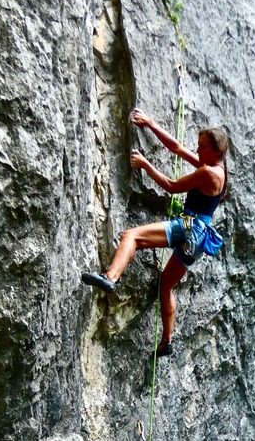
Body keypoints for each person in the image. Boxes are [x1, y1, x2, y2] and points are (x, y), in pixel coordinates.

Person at [81, 108, 229, 358]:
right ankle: (166, 341)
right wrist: (150, 123)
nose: (198, 149)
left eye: (202, 146)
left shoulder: (208, 172)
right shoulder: (219, 169)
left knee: (131, 236)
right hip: (199, 239)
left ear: (216, 151)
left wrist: (145, 164)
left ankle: (111, 277)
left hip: (188, 227)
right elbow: (179, 149)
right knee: (166, 287)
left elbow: (172, 187)